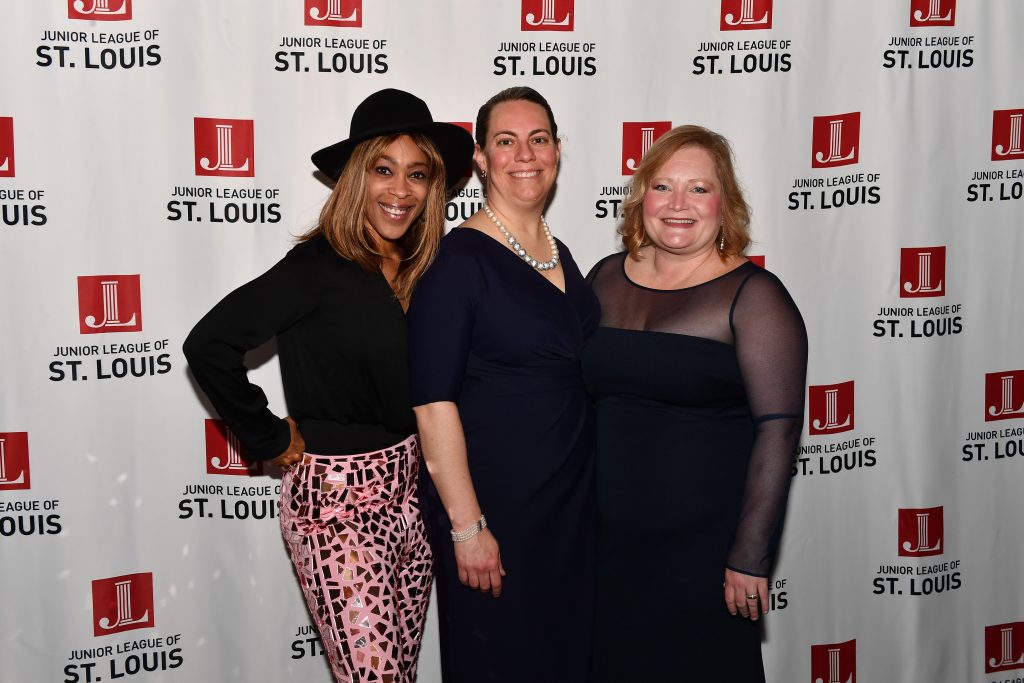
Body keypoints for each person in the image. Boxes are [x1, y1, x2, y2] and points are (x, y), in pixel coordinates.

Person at [182, 88, 473, 683]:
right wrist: (265, 436)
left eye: (417, 174)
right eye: (383, 170)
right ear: (354, 177)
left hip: (412, 498)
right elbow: (208, 344)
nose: (400, 190)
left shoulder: (427, 269)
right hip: (336, 506)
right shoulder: (316, 267)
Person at [582, 125, 807, 681]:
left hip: (703, 552)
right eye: (663, 187)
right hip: (605, 546)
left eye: (699, 189)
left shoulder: (755, 297)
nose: (678, 204)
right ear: (642, 199)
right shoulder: (604, 277)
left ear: (723, 203)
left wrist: (749, 555)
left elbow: (778, 431)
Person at [407, 87, 599, 682]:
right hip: (497, 510)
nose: (525, 155)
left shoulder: (561, 253)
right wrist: (468, 527)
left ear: (558, 150)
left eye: (538, 139)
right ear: (482, 159)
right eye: (506, 141)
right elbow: (432, 403)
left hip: (571, 504)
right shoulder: (456, 262)